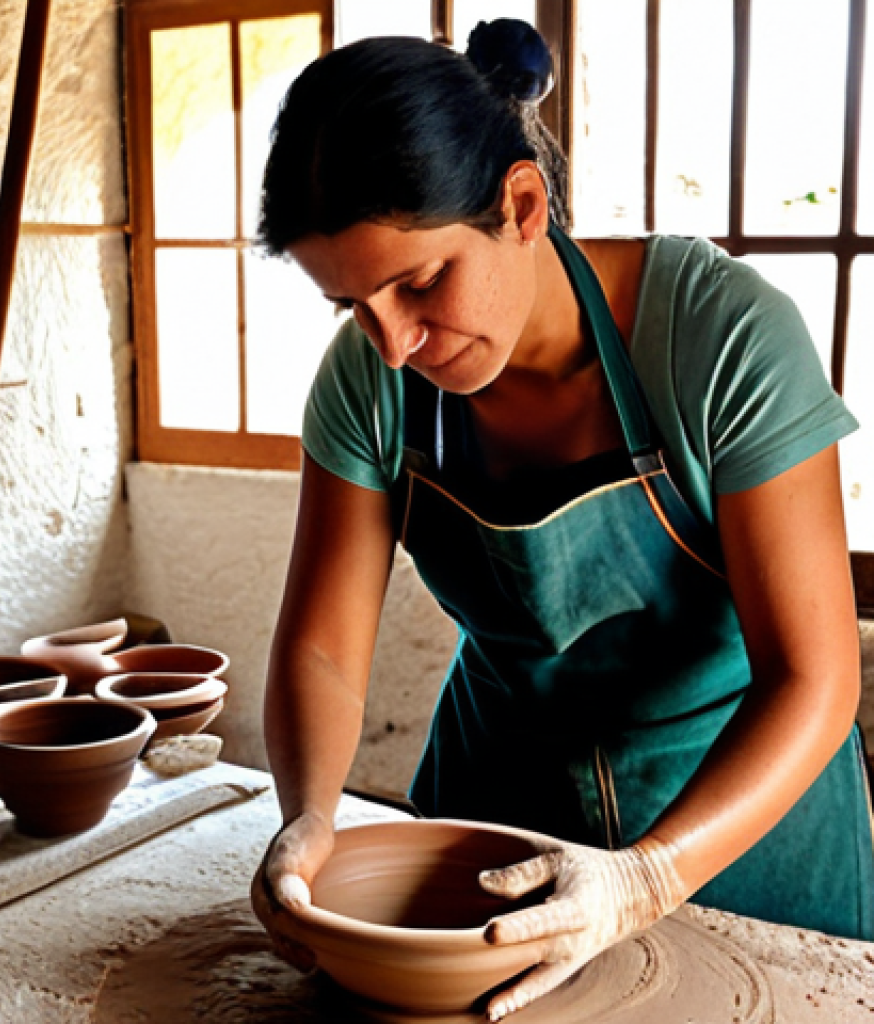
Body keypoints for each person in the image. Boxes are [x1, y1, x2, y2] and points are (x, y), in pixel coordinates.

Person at [250, 19, 874, 1021]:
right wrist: (308, 817)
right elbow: (323, 650)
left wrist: (645, 876)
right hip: (499, 805)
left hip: (734, 814)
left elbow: (813, 674)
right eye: (352, 307)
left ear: (523, 204)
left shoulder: (722, 338)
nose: (395, 343)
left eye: (419, 284)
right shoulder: (368, 382)